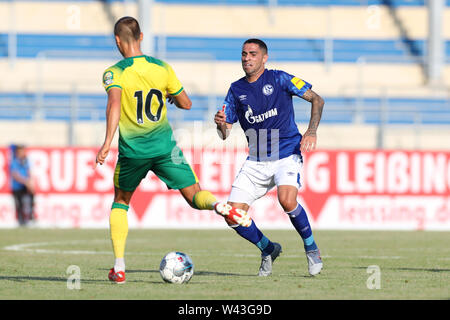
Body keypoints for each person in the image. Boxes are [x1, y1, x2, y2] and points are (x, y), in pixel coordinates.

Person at [94, 16, 250, 284]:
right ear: (141, 37)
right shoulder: (162, 68)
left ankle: (119, 267)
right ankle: (220, 204)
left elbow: (115, 105)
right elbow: (186, 103)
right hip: (166, 147)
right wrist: (170, 97)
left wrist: (107, 142)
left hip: (134, 151)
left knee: (121, 201)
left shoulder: (114, 72)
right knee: (194, 195)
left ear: (117, 41)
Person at [214, 39, 325, 276]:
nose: (247, 58)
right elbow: (225, 133)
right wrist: (222, 125)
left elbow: (318, 99)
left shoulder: (280, 78)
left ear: (264, 58)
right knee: (231, 215)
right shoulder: (236, 89)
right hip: (255, 160)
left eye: (253, 54)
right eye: (244, 54)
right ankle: (268, 248)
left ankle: (311, 248)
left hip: (286, 153)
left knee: (287, 200)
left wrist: (312, 130)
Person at [9, 144, 35, 227]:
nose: (23, 153)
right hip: (17, 187)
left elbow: (29, 172)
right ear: (17, 152)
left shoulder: (25, 161)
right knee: (19, 205)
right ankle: (21, 222)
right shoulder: (14, 161)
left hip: (25, 186)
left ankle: (30, 218)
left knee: (30, 200)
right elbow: (15, 175)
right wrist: (26, 182)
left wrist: (30, 183)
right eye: (21, 151)